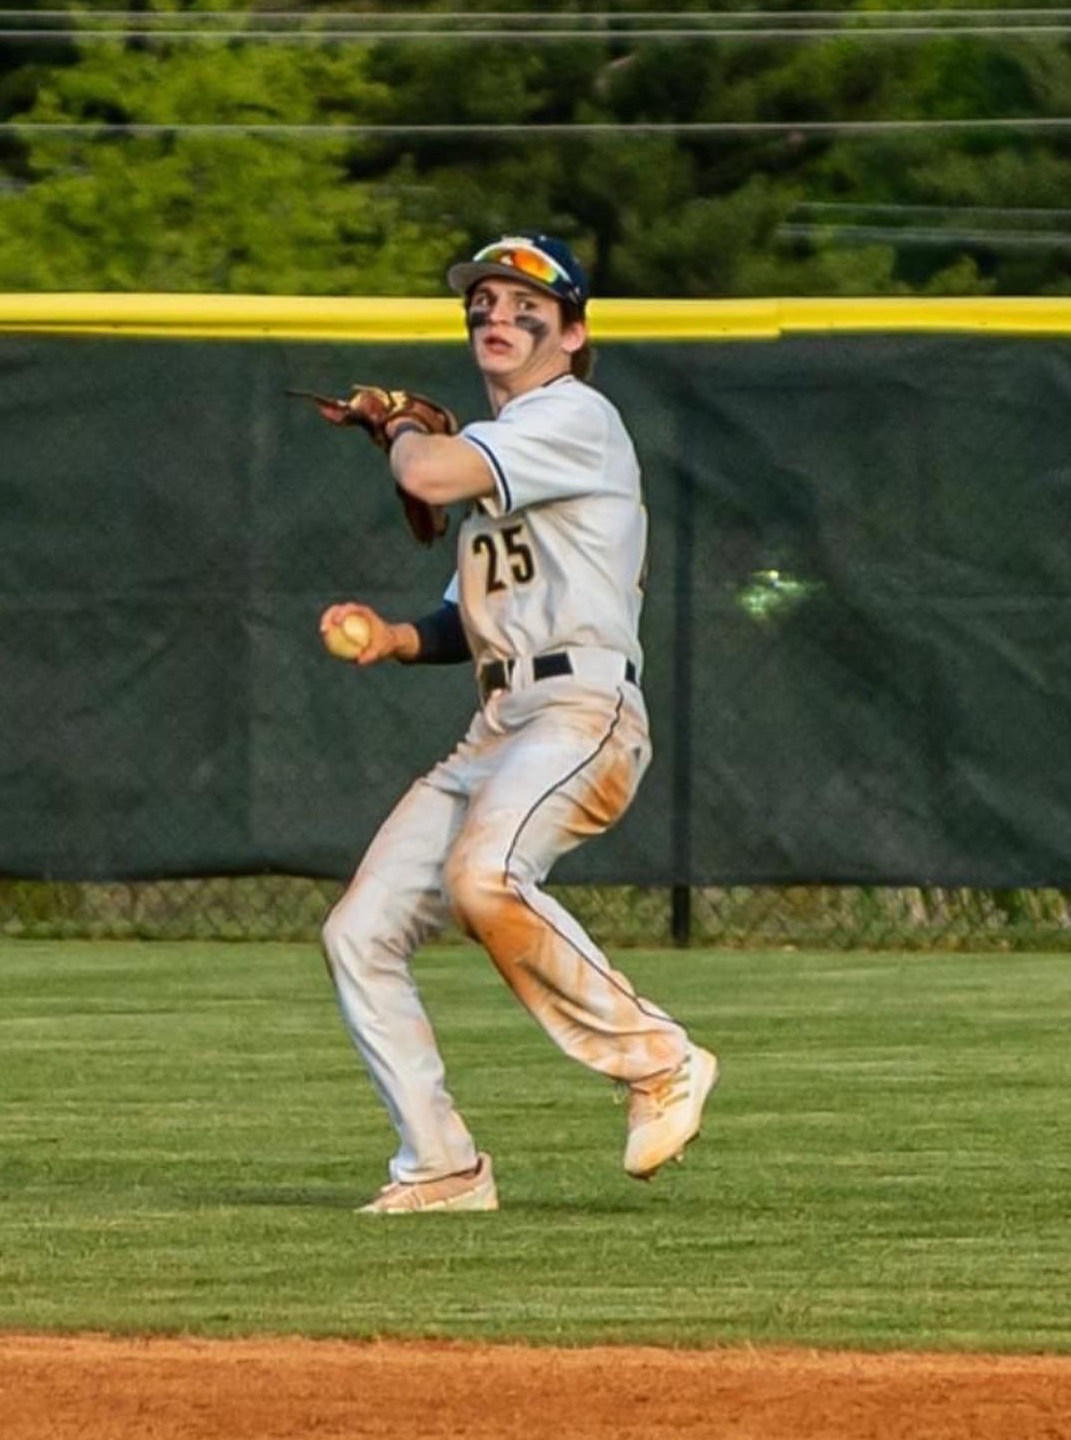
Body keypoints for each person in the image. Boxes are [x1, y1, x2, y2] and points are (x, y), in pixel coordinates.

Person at [319, 233, 718, 1214]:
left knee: (485, 877)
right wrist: (396, 639)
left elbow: (425, 475)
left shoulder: (574, 414)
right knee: (359, 933)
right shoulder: (509, 452)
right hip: (500, 722)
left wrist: (400, 428)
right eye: (483, 304)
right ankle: (442, 1166)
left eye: (524, 304)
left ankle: (659, 1060)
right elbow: (470, 618)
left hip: (581, 709)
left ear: (572, 333)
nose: (495, 314)